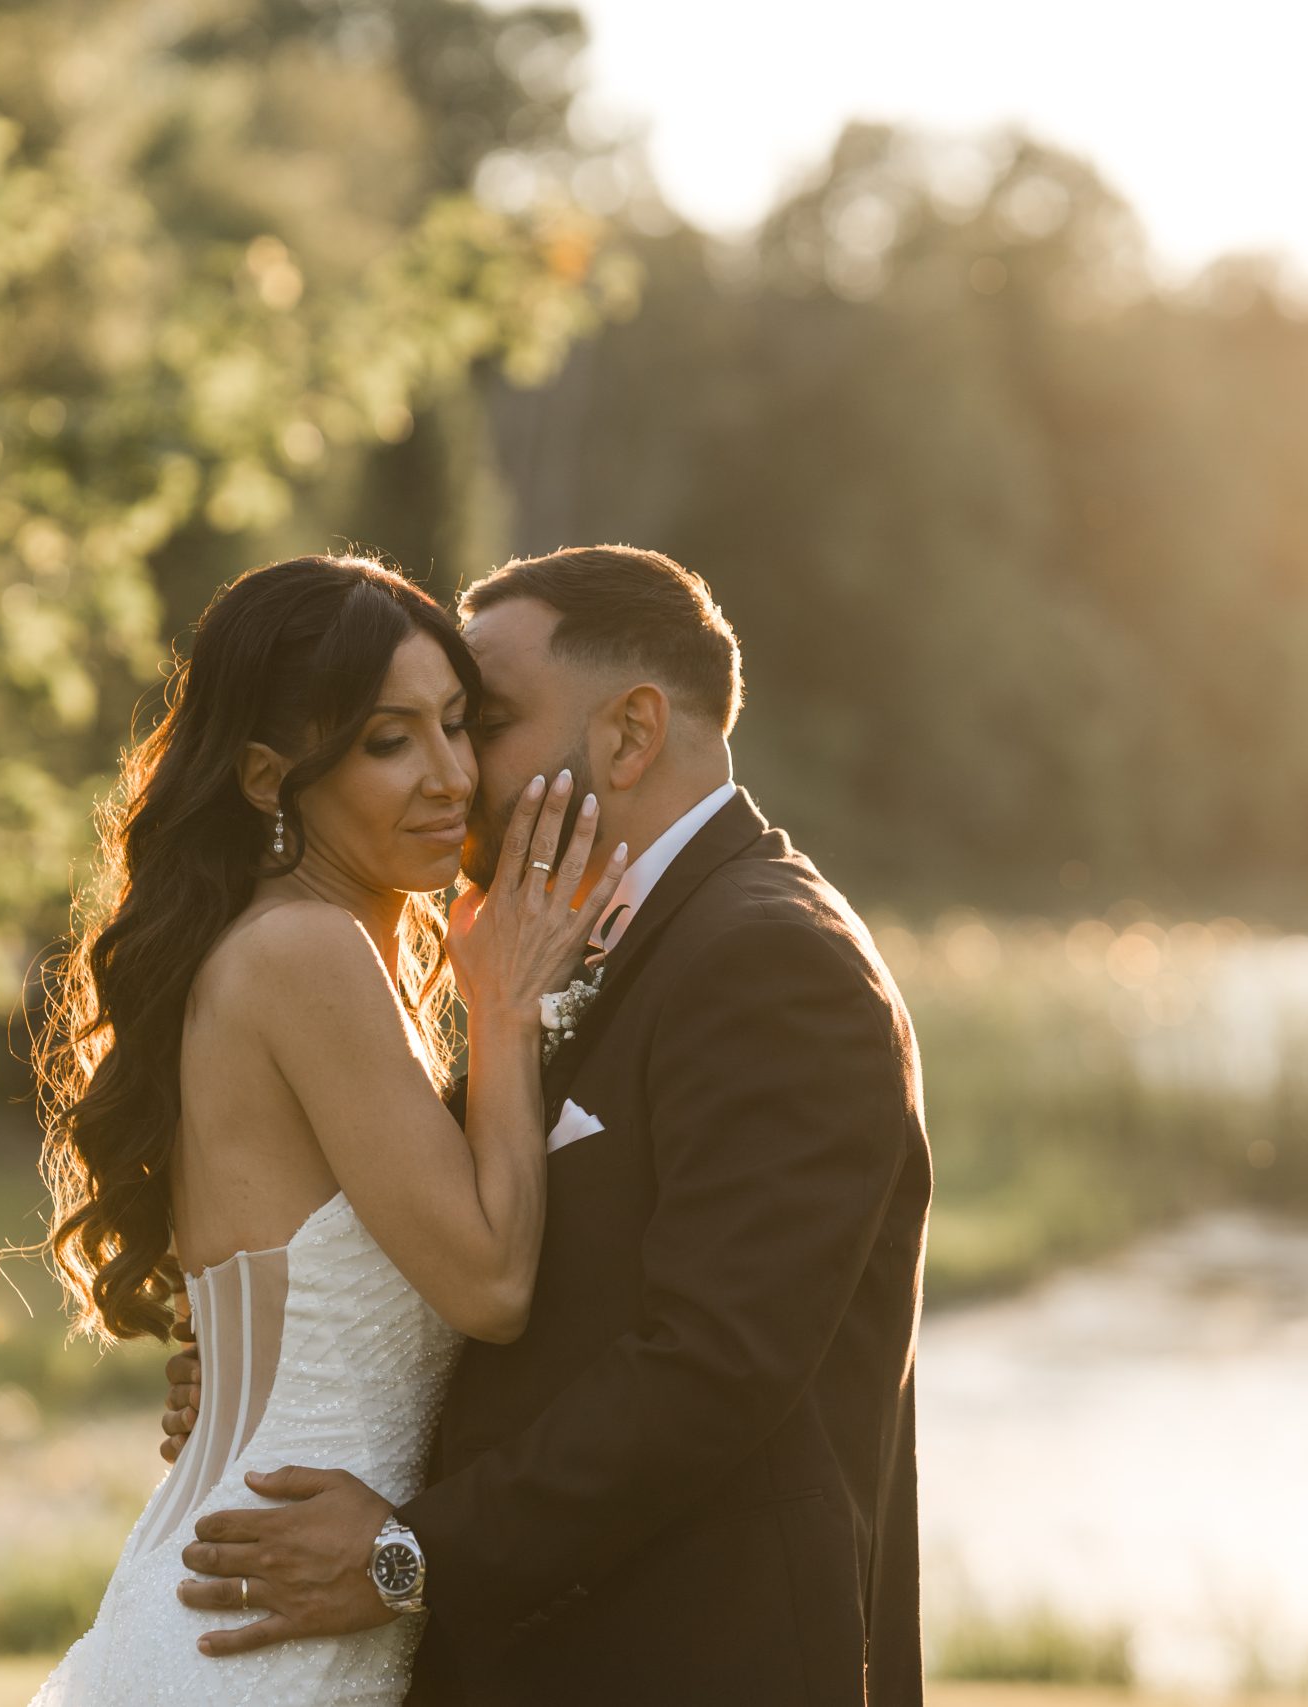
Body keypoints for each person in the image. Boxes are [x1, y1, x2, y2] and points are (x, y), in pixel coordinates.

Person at [159, 546, 933, 1706]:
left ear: (626, 736)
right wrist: (268, 1379)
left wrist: (410, 1558)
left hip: (686, 1663)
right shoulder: (543, 948)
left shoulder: (773, 961)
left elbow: (714, 1366)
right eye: (422, 732)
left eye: (485, 722)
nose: (458, 773)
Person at [27, 553, 625, 1704]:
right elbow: (493, 1283)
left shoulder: (300, 947)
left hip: (265, 1595)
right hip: (260, 1631)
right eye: (387, 741)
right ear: (268, 777)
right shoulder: (308, 953)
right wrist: (504, 1004)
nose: (452, 776)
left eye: (459, 724)